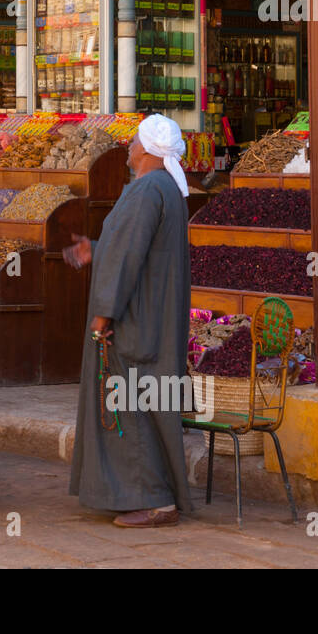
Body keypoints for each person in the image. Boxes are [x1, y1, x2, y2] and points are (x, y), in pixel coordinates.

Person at [64, 113, 193, 528]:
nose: (129, 148)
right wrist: (95, 249)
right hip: (154, 315)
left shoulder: (147, 191)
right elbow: (132, 250)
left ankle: (154, 500)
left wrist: (102, 316)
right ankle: (150, 493)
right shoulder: (164, 189)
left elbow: (126, 261)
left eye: (134, 141)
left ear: (149, 149)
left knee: (132, 405)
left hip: (136, 321)